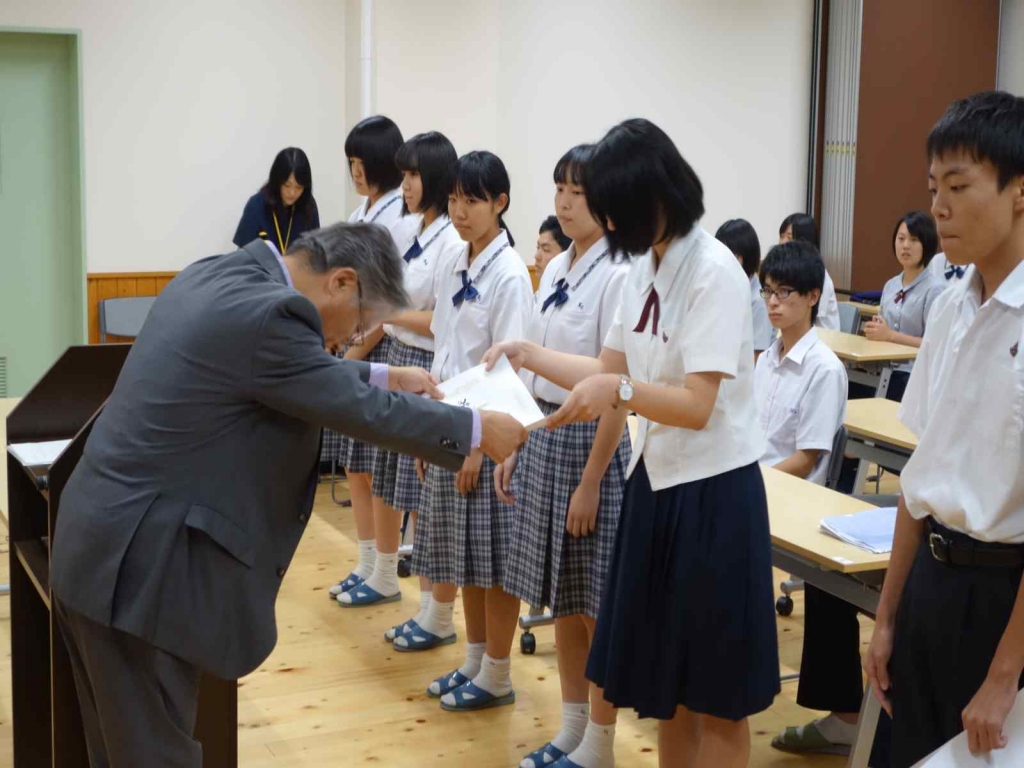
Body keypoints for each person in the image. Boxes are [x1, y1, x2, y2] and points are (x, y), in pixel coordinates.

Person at [48, 222, 527, 766]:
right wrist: (474, 429)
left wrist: (382, 375)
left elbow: (285, 372)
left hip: (101, 544)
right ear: (341, 283)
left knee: (119, 751)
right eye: (361, 324)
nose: (349, 338)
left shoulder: (223, 273)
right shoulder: (275, 316)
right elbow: (345, 404)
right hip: (141, 571)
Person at [485, 118, 779, 768]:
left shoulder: (715, 273)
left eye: (612, 211)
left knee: (717, 695)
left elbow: (696, 406)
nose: (607, 226)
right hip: (656, 484)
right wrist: (527, 353)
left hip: (715, 495)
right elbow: (605, 368)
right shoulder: (645, 269)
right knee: (667, 689)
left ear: (653, 197)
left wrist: (619, 394)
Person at [864, 91, 1024, 768]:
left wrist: (1003, 675)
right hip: (931, 583)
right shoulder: (953, 309)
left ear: (1019, 192)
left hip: (1004, 603)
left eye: (959, 187)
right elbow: (915, 473)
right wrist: (888, 615)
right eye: (935, 188)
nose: (939, 207)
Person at [502, 145, 631, 768]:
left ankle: (601, 744)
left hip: (593, 442)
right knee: (564, 596)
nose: (564, 201)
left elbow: (615, 389)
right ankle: (572, 729)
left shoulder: (620, 273)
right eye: (558, 187)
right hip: (549, 431)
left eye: (577, 191)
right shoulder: (553, 270)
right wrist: (518, 441)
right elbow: (535, 372)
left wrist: (592, 480)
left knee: (595, 602)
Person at [400, 151, 534, 718]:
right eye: (454, 198)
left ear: (500, 203)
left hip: (489, 435)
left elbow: (510, 370)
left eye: (472, 200)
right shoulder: (457, 257)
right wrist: (436, 432)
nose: (459, 210)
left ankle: (499, 673)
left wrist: (479, 444)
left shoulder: (509, 273)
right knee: (465, 558)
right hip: (451, 425)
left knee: (495, 562)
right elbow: (445, 342)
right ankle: (476, 660)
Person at [751, 241, 864, 757]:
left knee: (829, 598)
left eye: (786, 293)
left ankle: (845, 717)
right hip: (763, 485)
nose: (773, 303)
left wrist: (750, 484)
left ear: (814, 296)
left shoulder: (823, 368)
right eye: (768, 291)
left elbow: (807, 457)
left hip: (798, 499)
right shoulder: (767, 358)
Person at [345, 131, 464, 619]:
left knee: (422, 493)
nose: (406, 184)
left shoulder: (450, 242)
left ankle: (429, 611)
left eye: (414, 175)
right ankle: (379, 569)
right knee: (386, 475)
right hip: (397, 351)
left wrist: (389, 313)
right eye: (405, 174)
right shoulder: (418, 232)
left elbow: (440, 322)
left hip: (424, 364)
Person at [327, 114, 409, 600]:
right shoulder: (363, 213)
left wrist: (354, 351)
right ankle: (364, 563)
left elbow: (390, 303)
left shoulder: (397, 217)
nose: (355, 171)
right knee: (355, 464)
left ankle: (383, 571)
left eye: (361, 161)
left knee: (380, 468)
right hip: (353, 343)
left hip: (380, 345)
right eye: (350, 162)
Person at [863, 211, 945, 402]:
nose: (905, 245)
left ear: (927, 244)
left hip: (915, 375)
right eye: (901, 238)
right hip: (884, 370)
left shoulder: (936, 290)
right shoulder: (891, 285)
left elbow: (934, 344)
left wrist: (891, 336)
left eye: (914, 239)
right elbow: (881, 326)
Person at [233, 147, 320, 251]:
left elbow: (315, 253)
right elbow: (242, 256)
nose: (292, 193)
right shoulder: (256, 206)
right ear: (277, 180)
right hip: (262, 267)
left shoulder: (308, 205)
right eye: (287, 185)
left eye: (299, 187)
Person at [716, 218, 772, 359]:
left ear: (745, 256)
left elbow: (757, 356)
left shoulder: (759, 299)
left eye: (729, 254)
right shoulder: (723, 286)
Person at [779, 213, 841, 331]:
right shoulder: (788, 272)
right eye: (782, 236)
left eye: (789, 237)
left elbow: (809, 321)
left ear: (805, 241)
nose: (783, 242)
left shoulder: (820, 276)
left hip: (822, 341)